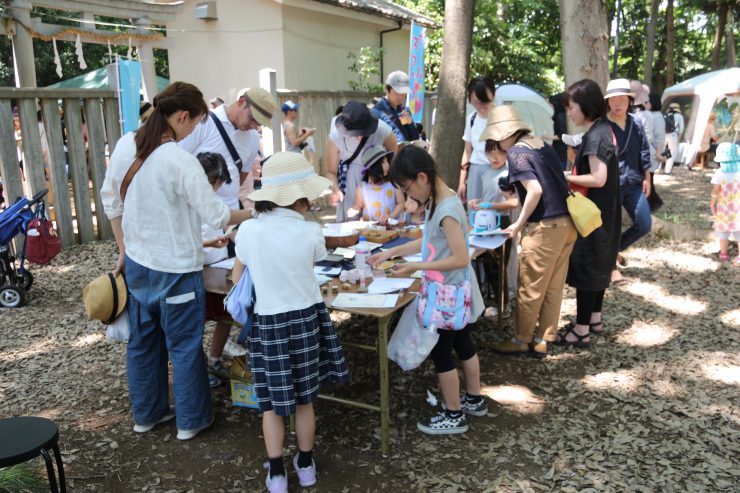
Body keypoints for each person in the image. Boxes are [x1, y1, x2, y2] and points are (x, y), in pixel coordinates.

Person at [100, 82, 254, 440]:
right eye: (197, 123)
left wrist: (124, 249)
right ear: (182, 116)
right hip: (177, 269)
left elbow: (112, 202)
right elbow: (216, 214)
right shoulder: (178, 159)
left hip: (138, 263)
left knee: (143, 343)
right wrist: (254, 214)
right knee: (183, 345)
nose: (195, 131)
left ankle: (147, 415)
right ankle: (191, 420)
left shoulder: (126, 145)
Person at [232, 152, 349, 492]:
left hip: (268, 322)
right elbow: (314, 261)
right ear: (299, 196)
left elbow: (239, 273)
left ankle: (277, 473)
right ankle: (307, 465)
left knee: (270, 404)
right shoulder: (310, 230)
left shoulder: (248, 230)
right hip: (306, 318)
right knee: (304, 399)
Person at [368, 146, 486, 435]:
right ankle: (474, 398)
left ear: (422, 177)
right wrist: (390, 253)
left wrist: (414, 267)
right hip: (454, 289)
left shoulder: (446, 208)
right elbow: (428, 239)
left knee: (443, 352)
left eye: (408, 189)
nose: (409, 197)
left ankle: (454, 413)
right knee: (463, 343)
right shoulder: (439, 199)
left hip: (448, 292)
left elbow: (460, 256)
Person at [480, 105, 576, 357]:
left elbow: (535, 190)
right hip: (567, 223)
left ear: (504, 134)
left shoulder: (517, 153)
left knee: (530, 286)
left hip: (544, 226)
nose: (498, 144)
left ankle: (521, 338)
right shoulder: (539, 144)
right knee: (554, 285)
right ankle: (544, 338)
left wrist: (518, 223)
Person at [557, 79, 621, 347]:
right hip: (606, 212)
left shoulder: (596, 135)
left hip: (593, 215)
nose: (569, 113)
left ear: (585, 106)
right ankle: (594, 319)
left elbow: (598, 178)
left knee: (588, 267)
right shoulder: (604, 129)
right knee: (601, 264)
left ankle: (581, 329)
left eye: (572, 107)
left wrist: (564, 175)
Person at [179, 87, 278, 210]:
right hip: (196, 214)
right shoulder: (203, 122)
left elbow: (240, 178)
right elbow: (178, 162)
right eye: (252, 118)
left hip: (230, 217)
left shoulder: (253, 138)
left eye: (259, 123)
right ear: (242, 102)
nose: (253, 126)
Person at [196, 152, 247, 388]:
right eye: (215, 183)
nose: (216, 188)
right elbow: (186, 241)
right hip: (197, 269)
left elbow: (230, 225)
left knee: (225, 315)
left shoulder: (215, 203)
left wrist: (241, 237)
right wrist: (210, 242)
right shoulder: (189, 202)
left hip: (218, 268)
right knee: (195, 322)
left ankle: (214, 359)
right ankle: (198, 369)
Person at [604, 79, 651, 285]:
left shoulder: (636, 122)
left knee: (644, 223)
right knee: (612, 228)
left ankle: (613, 253)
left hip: (634, 182)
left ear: (629, 100)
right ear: (608, 102)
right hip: (610, 185)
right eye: (613, 98)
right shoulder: (602, 126)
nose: (618, 102)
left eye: (622, 97)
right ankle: (612, 270)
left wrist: (647, 177)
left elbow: (644, 150)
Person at [469, 139, 519, 317]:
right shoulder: (486, 172)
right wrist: (479, 203)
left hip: (502, 223)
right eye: (491, 153)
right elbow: (488, 199)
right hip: (485, 222)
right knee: (489, 264)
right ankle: (495, 302)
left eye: (500, 153)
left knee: (499, 266)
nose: (495, 157)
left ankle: (504, 306)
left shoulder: (507, 174)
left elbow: (513, 202)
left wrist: (488, 205)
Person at [326, 101, 397, 221]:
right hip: (350, 182)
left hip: (378, 181)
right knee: (351, 222)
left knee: (379, 221)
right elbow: (331, 172)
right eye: (354, 133)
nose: (359, 137)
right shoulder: (335, 137)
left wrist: (387, 176)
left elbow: (394, 156)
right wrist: (336, 190)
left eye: (363, 132)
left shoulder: (382, 130)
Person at [457, 76, 497, 203]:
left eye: (485, 101)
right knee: (474, 213)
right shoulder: (472, 119)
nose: (481, 107)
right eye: (476, 102)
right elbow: (467, 151)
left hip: (496, 171)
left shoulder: (502, 117)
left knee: (494, 214)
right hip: (475, 170)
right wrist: (462, 182)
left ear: (493, 96)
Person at [347, 145, 404, 221]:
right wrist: (354, 210)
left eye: (387, 161)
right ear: (373, 167)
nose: (387, 165)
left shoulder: (393, 184)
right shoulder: (362, 188)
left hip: (391, 227)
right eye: (383, 162)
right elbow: (358, 205)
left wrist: (390, 216)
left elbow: (401, 203)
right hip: (370, 228)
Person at [710, 142, 740, 264]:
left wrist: (712, 203)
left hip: (724, 209)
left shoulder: (719, 173)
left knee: (723, 233)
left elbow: (715, 191)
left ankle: (723, 254)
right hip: (738, 209)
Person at [371, 70, 420, 144]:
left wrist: (410, 124)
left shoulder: (404, 110)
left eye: (403, 93)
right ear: (387, 90)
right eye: (397, 93)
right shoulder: (376, 111)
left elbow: (415, 138)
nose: (401, 97)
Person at [663, 102, 684, 174]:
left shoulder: (666, 115)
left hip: (663, 135)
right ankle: (667, 171)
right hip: (673, 135)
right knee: (672, 153)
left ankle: (656, 168)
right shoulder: (679, 116)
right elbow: (681, 129)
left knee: (661, 152)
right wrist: (679, 138)